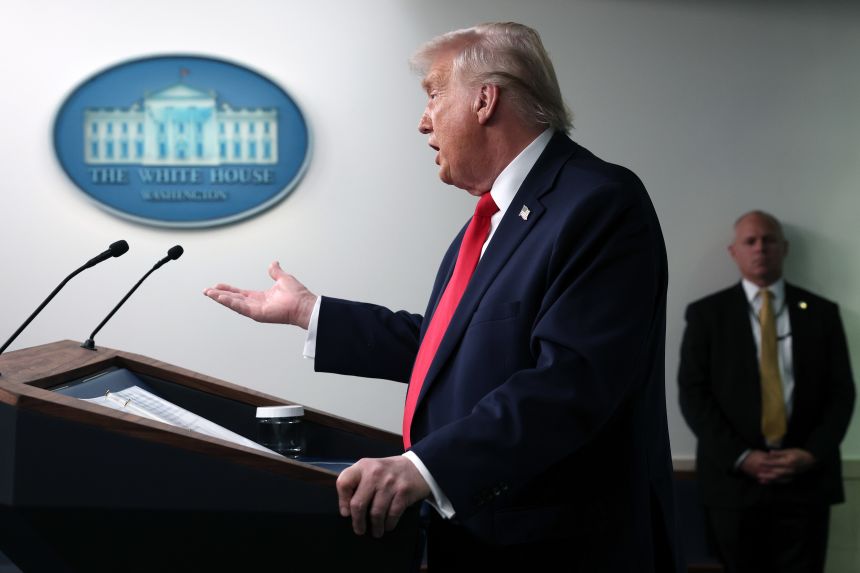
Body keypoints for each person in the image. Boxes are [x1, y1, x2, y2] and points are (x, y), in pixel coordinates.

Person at [205, 22, 680, 572]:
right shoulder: (489, 223)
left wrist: (425, 469)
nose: (423, 121)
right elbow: (446, 348)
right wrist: (310, 313)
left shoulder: (597, 202)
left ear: (485, 99)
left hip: (563, 549)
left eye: (433, 94)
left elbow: (571, 382)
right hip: (477, 542)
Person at [678, 210, 855, 573]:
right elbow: (693, 395)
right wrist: (742, 457)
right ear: (734, 252)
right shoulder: (707, 315)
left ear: (784, 248)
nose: (761, 248)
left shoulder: (822, 312)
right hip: (733, 486)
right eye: (750, 241)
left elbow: (842, 394)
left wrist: (809, 453)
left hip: (806, 483)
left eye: (769, 240)